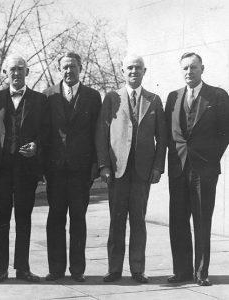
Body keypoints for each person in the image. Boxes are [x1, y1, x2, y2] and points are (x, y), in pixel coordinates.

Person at [96, 54, 167, 283]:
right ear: (122, 71)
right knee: (116, 221)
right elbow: (101, 135)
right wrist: (104, 165)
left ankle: (138, 269)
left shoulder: (154, 100)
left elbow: (162, 138)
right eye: (130, 68)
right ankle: (114, 269)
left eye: (138, 68)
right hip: (117, 170)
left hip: (142, 172)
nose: (134, 71)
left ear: (144, 72)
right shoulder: (111, 98)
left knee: (138, 221)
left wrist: (157, 167)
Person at [165, 52, 229, 286]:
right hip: (179, 168)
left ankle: (201, 273)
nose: (189, 72)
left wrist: (211, 158)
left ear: (203, 68)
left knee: (202, 221)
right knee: (178, 221)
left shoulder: (218, 95)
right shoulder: (173, 97)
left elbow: (225, 132)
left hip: (204, 170)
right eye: (185, 68)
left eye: (193, 67)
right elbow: (169, 135)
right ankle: (181, 271)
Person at [0, 54, 47, 283]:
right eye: (12, 69)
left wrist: (37, 145)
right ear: (5, 74)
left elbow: (46, 131)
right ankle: (1, 269)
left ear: (27, 72)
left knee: (24, 219)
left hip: (26, 168)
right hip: (1, 168)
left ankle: (23, 268)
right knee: (1, 219)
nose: (16, 73)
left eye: (21, 69)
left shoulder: (40, 100)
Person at [43, 51, 101, 282]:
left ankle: (77, 270)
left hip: (81, 170)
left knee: (78, 219)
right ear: (60, 70)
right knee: (55, 219)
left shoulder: (93, 96)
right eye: (65, 67)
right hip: (55, 169)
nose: (69, 71)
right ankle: (55, 269)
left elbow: (98, 132)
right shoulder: (48, 96)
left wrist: (96, 164)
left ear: (80, 68)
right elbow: (44, 132)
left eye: (73, 67)